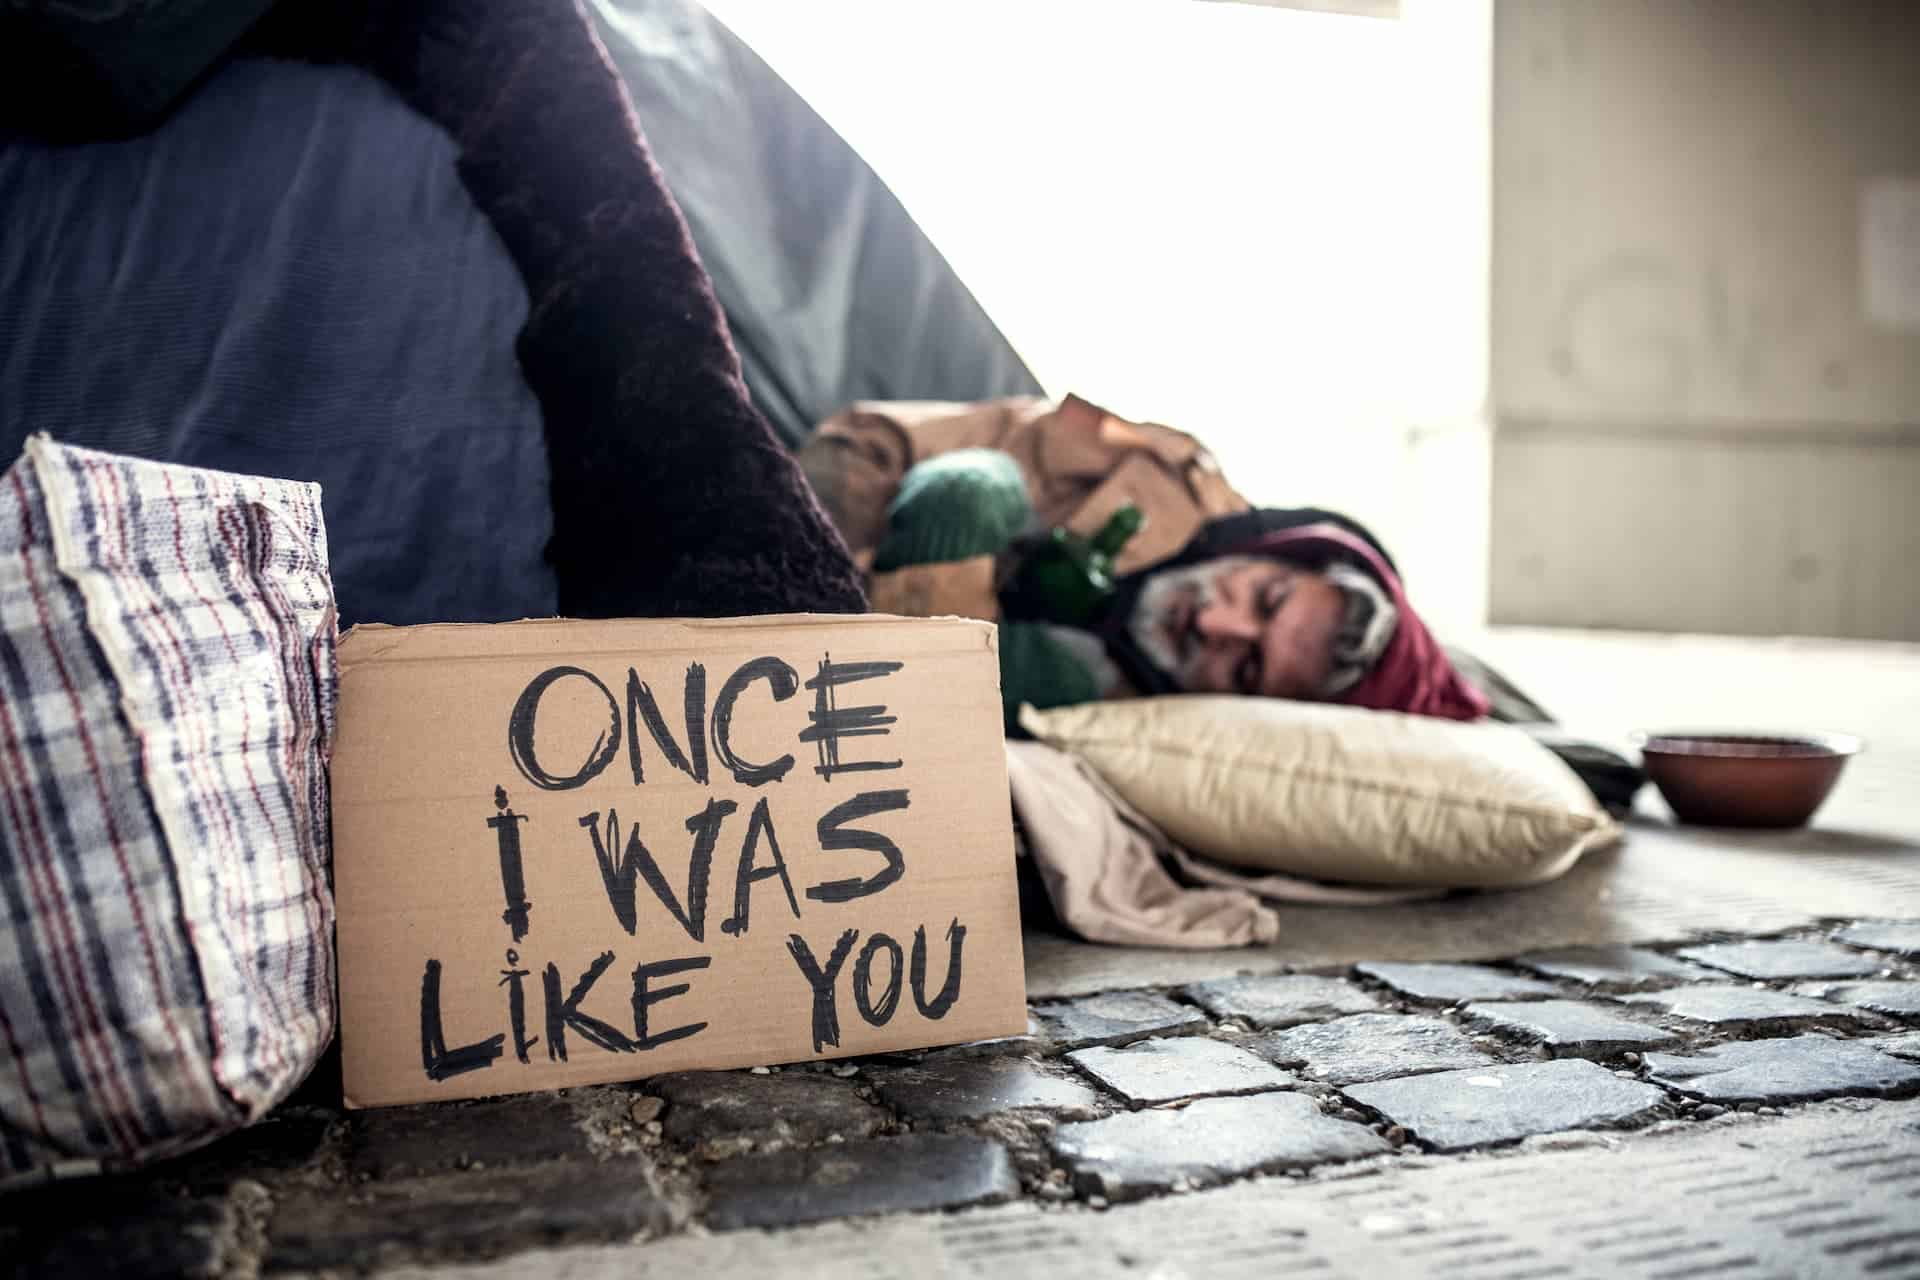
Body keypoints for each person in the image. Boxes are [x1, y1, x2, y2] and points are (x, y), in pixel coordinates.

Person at [798, 394, 1489, 730]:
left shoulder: (1158, 737)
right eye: (1265, 598)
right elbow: (873, 444)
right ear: (1277, 551)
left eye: (1246, 668)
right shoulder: (1160, 475)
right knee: (971, 488)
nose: (1218, 623)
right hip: (838, 559)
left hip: (880, 718)